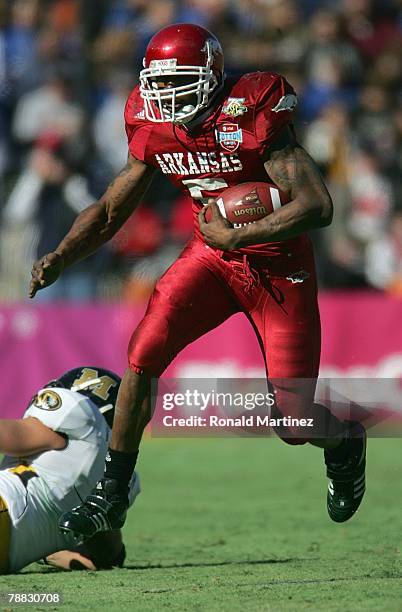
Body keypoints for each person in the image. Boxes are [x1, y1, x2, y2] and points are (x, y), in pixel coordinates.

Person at [29, 24, 366, 537]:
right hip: (211, 256)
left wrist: (243, 234)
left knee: (294, 420)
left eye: (179, 81)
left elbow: (317, 204)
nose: (166, 96)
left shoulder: (251, 107)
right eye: (158, 84)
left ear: (209, 75)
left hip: (278, 267)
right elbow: (110, 209)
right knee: (143, 352)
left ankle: (345, 440)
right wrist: (61, 255)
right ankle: (111, 494)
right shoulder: (152, 121)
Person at [0, 366, 140, 573]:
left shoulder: (78, 413)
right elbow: (108, 553)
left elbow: (12, 436)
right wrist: (48, 550)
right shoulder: (122, 477)